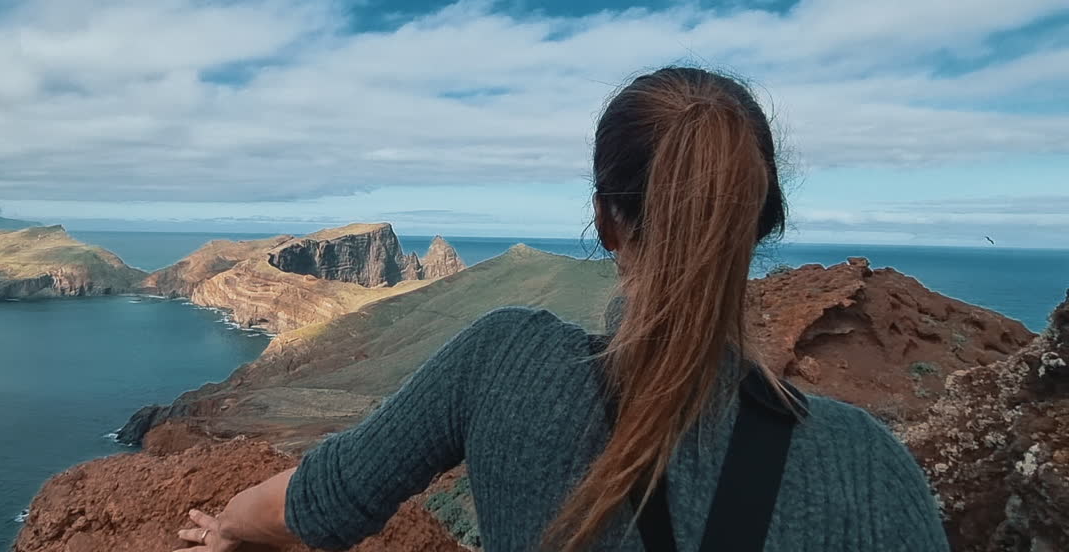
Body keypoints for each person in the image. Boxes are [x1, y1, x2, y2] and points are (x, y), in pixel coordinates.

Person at [174, 68, 950, 551]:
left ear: (605, 219)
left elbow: (324, 500)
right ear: (761, 226)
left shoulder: (507, 361)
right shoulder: (870, 469)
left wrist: (228, 528)